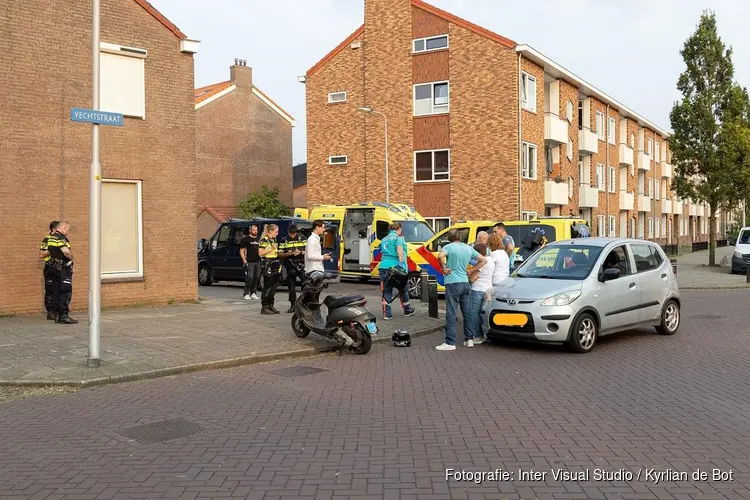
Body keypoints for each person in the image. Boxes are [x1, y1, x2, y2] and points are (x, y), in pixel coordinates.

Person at [436, 229, 486, 351]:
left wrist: (443, 268)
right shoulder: (468, 248)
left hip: (452, 283)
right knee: (467, 312)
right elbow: (484, 260)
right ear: (459, 237)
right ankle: (469, 339)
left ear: (448, 238)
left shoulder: (448, 247)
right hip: (465, 282)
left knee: (451, 312)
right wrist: (472, 270)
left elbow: (440, 256)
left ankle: (450, 342)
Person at [378, 222, 415, 320]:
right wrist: (401, 262)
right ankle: (407, 309)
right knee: (403, 288)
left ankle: (387, 314)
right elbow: (399, 249)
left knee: (387, 290)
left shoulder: (384, 239)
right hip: (396, 267)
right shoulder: (399, 238)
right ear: (399, 229)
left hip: (384, 267)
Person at [46, 221, 77, 324]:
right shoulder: (61, 238)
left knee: (56, 291)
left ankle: (57, 315)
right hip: (63, 268)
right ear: (63, 228)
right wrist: (72, 258)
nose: (68, 232)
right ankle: (64, 316)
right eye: (67, 230)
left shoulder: (51, 238)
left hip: (54, 267)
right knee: (65, 291)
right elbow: (65, 251)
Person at [468, 243, 495, 346]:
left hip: (478, 289)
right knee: (483, 312)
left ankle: (478, 335)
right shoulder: (491, 260)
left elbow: (472, 278)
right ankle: (485, 333)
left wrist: (470, 274)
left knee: (474, 313)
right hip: (488, 287)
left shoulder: (481, 262)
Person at [278, 224, 307, 313]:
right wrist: (288, 254)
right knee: (291, 287)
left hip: (301, 264)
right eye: (291, 234)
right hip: (290, 264)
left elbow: (309, 251)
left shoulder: (303, 238)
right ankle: (293, 305)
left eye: (294, 233)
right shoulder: (284, 240)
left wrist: (300, 252)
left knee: (305, 285)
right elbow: (279, 253)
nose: (292, 235)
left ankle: (304, 304)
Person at [259, 224, 282, 315]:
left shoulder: (273, 239)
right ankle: (264, 307)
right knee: (267, 287)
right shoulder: (264, 240)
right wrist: (271, 248)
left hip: (275, 264)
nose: (277, 233)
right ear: (270, 231)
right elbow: (260, 253)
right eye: (276, 231)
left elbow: (274, 251)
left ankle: (271, 305)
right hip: (268, 264)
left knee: (274, 286)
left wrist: (278, 251)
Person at [39, 220, 60, 320]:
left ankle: (58, 310)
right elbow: (42, 254)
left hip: (60, 268)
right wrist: (52, 250)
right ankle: (50, 312)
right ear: (53, 229)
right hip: (50, 267)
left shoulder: (61, 239)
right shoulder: (47, 240)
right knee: (50, 290)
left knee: (59, 289)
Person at [240, 225, 261, 300]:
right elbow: (242, 250)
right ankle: (246, 293)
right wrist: (244, 260)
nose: (255, 231)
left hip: (258, 261)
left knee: (257, 277)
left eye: (256, 230)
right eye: (254, 230)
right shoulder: (245, 239)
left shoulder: (259, 239)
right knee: (250, 277)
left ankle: (253, 293)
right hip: (249, 261)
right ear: (250, 230)